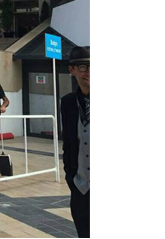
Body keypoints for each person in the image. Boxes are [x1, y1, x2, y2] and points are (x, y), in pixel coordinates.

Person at [60, 46, 90, 238]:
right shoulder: (68, 102)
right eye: (83, 67)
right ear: (71, 70)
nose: (89, 73)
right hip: (81, 188)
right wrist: (71, 177)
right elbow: (68, 144)